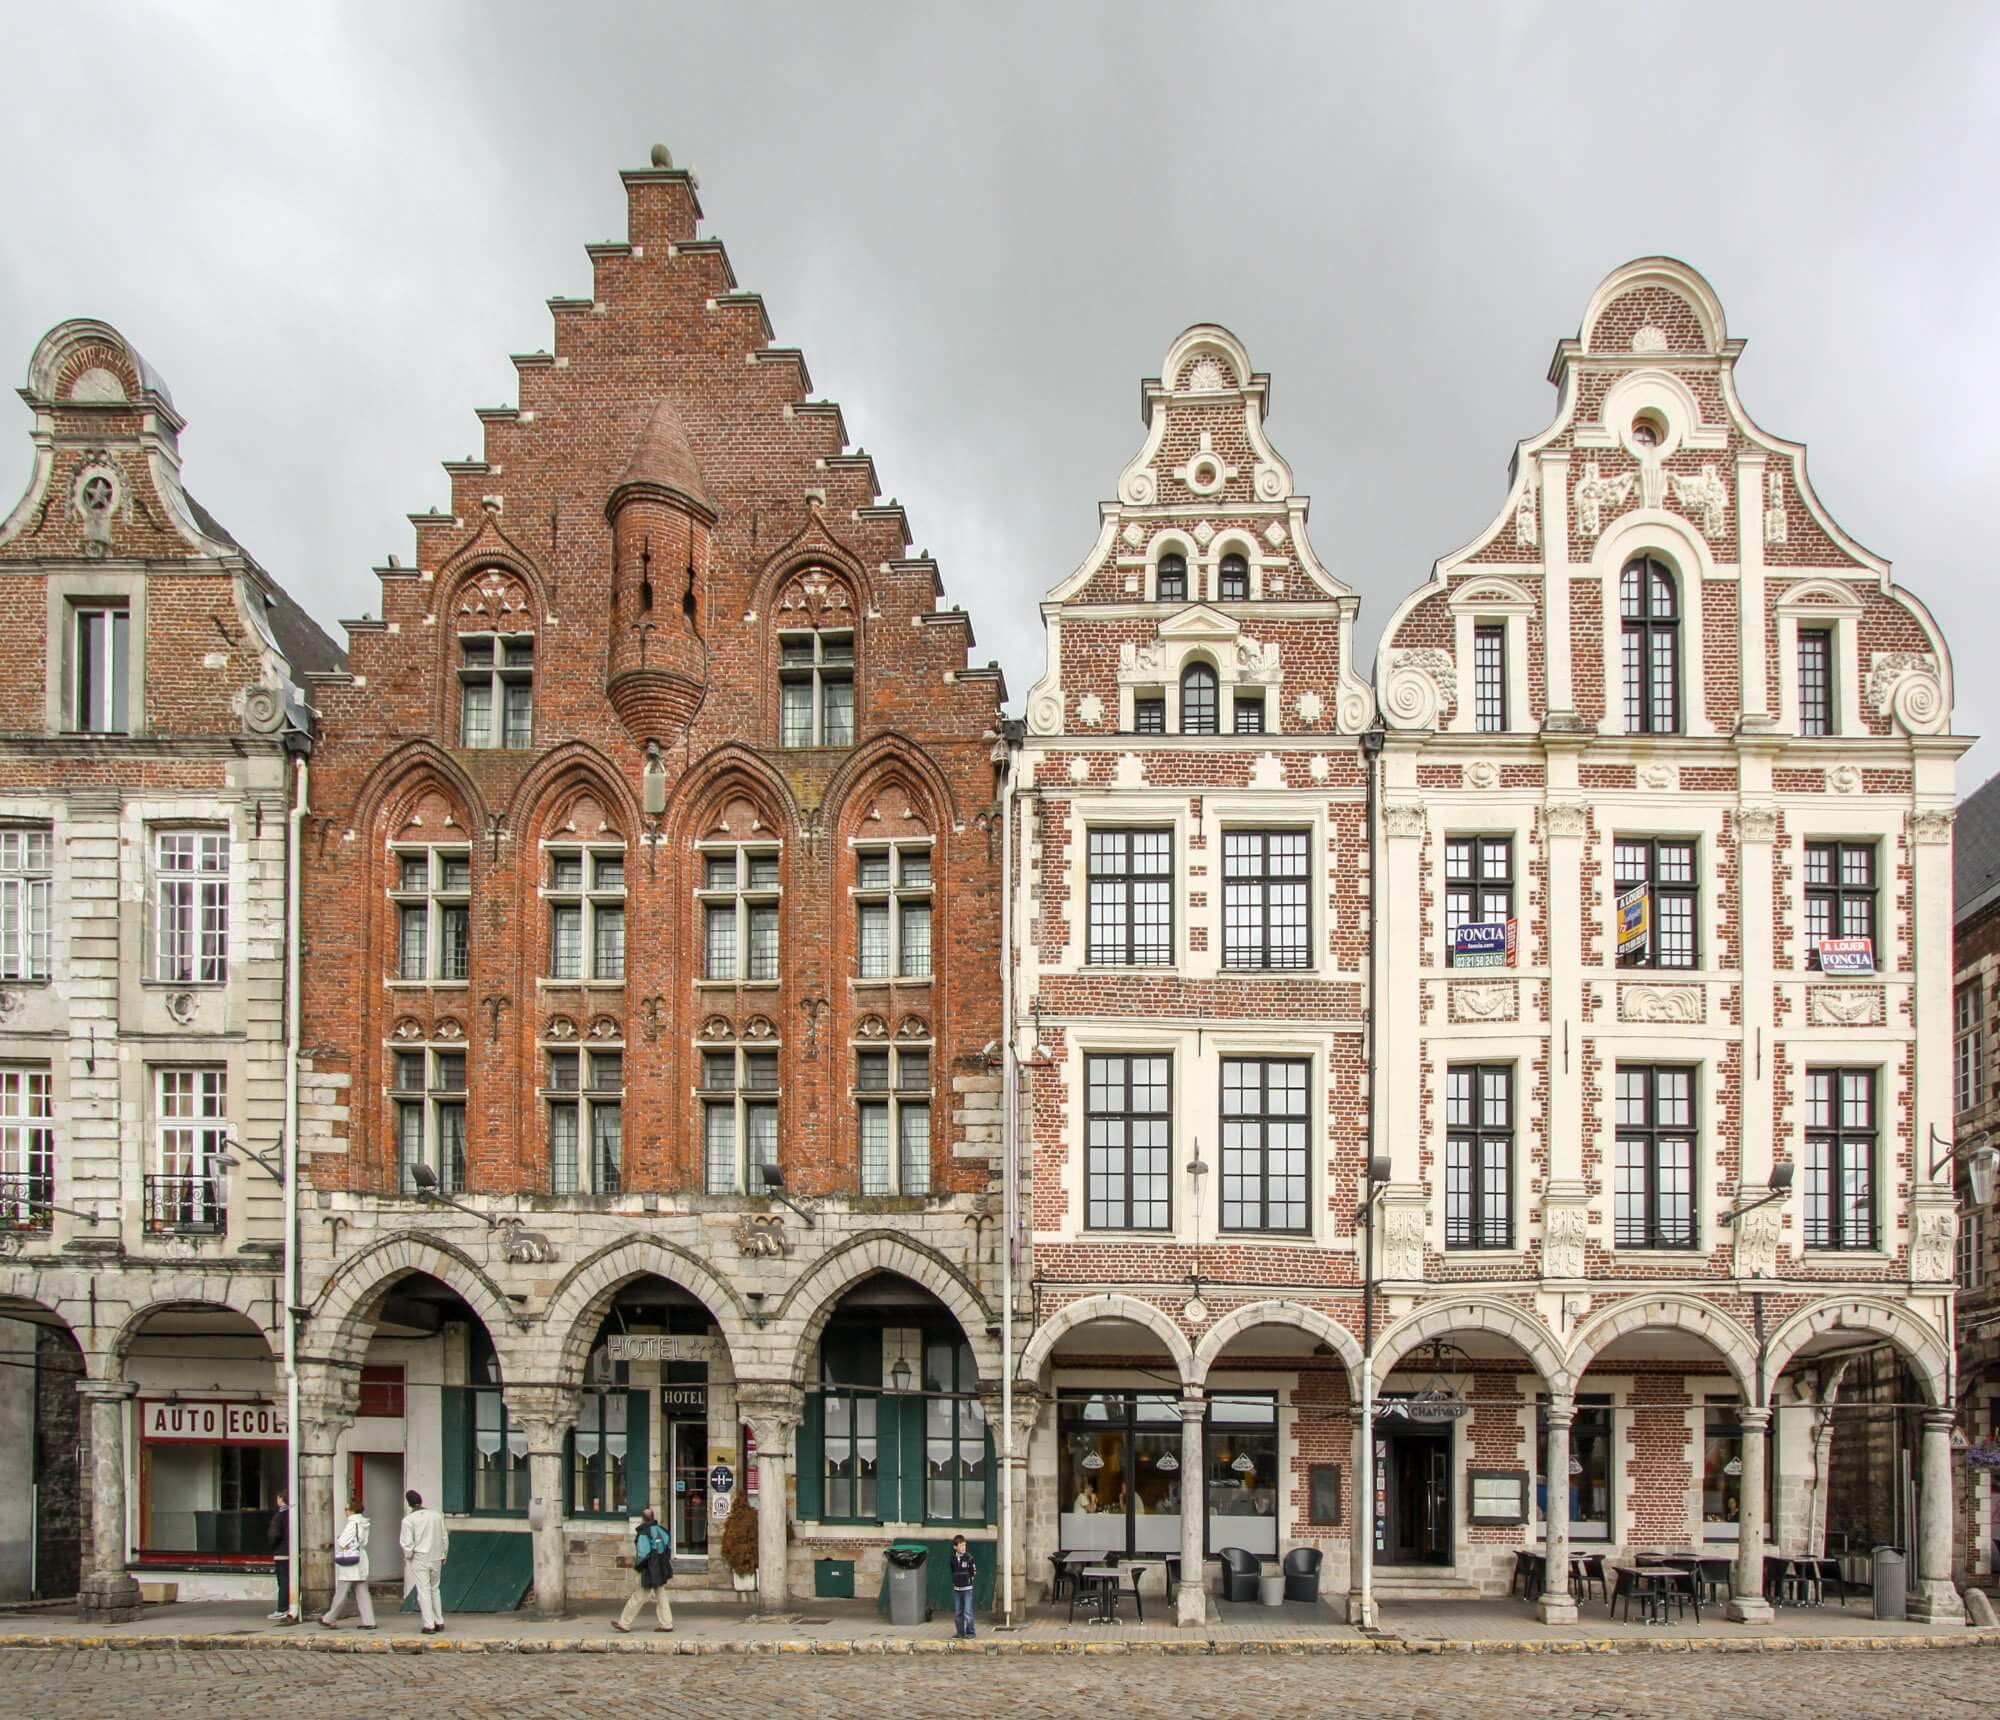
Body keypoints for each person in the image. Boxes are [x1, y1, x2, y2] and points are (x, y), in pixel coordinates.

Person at [611, 1506, 673, 1633]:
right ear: (653, 1517)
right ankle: (667, 1623)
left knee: (639, 1595)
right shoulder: (662, 1530)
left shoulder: (644, 1533)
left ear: (642, 1519)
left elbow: (643, 1554)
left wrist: (638, 1568)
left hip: (648, 1568)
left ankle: (624, 1623)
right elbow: (668, 1545)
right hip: (661, 1565)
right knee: (661, 1595)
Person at [399, 1488, 450, 1634]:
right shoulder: (436, 1515)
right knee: (435, 1589)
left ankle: (429, 1624)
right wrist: (444, 1553)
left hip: (420, 1556)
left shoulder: (408, 1520)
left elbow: (406, 1543)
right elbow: (444, 1536)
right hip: (436, 1555)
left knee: (423, 1591)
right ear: (420, 1501)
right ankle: (439, 1620)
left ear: (409, 1504)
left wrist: (408, 1556)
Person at [320, 1503, 375, 1629]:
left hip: (350, 1560)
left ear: (352, 1510)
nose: (345, 1511)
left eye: (346, 1509)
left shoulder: (352, 1523)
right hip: (360, 1557)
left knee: (341, 1591)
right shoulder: (364, 1523)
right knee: (362, 1592)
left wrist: (340, 1538)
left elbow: (343, 1541)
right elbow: (363, 1541)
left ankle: (329, 1618)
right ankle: (369, 1621)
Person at [267, 1491, 292, 1623]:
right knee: (291, 1580)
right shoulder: (294, 1514)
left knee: (283, 1582)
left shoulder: (280, 1515)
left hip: (282, 1553)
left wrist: (273, 1548)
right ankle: (292, 1606)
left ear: (281, 1499)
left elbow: (274, 1535)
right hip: (294, 1552)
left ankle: (282, 1609)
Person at [948, 1534, 977, 1639]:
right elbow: (952, 1570)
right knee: (958, 1612)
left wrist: (969, 1581)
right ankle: (960, 1632)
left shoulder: (969, 1558)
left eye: (964, 1545)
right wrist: (955, 1581)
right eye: (961, 1546)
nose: (963, 1548)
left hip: (967, 1589)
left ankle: (970, 1633)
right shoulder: (953, 1559)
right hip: (957, 1589)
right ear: (955, 1547)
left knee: (967, 1612)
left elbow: (973, 1571)